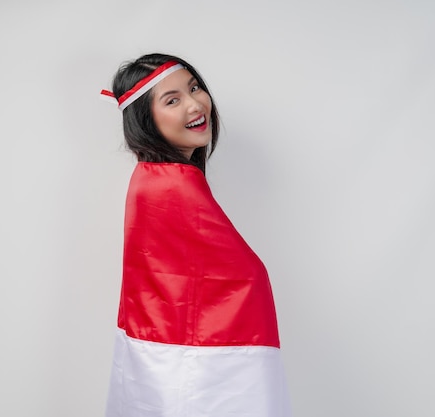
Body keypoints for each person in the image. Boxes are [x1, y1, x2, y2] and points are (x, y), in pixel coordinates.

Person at [101, 53, 289, 417]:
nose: (195, 104)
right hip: (190, 365)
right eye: (172, 100)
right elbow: (241, 275)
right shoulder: (173, 185)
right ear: (146, 121)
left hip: (164, 361)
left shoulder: (154, 177)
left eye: (194, 87)